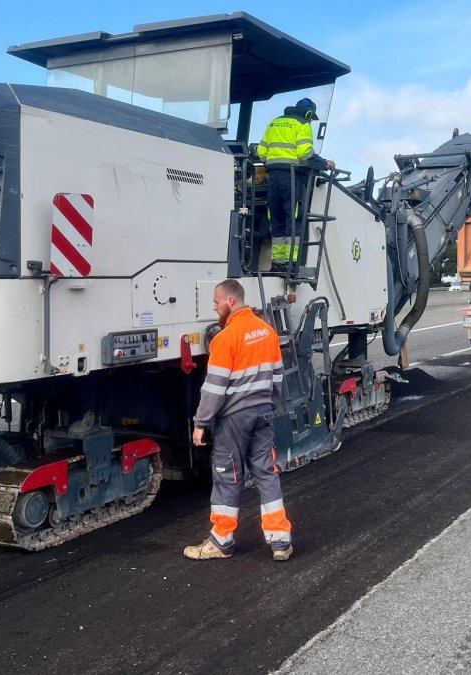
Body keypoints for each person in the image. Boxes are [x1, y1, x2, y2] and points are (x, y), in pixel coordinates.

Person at [184, 279, 294, 562]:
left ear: (230, 301)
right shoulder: (268, 332)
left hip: (234, 419)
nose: (214, 306)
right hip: (263, 413)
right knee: (267, 474)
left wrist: (200, 423)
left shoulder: (225, 338)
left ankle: (221, 541)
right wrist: (275, 407)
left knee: (228, 477)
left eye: (216, 301)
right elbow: (279, 376)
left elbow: (215, 387)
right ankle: (280, 541)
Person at [257, 97, 335, 271]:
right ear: (308, 113)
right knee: (293, 218)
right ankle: (291, 262)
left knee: (276, 219)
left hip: (272, 177)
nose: (310, 120)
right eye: (310, 117)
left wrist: (274, 162)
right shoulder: (302, 125)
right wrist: (324, 163)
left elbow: (261, 152)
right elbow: (305, 153)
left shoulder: (274, 123)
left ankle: (277, 262)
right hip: (291, 178)